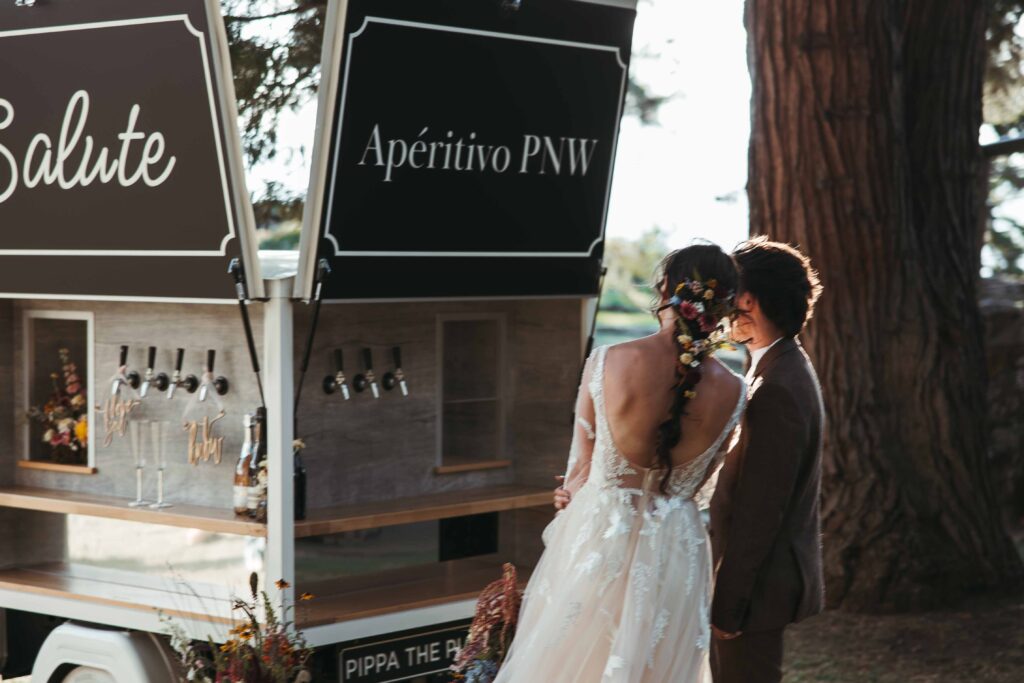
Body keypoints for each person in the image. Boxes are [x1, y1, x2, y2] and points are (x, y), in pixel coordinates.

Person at [493, 243, 747, 682]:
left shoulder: (609, 361)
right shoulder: (736, 390)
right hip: (676, 547)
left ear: (666, 289)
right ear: (725, 304)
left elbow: (578, 472)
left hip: (600, 536)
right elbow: (703, 481)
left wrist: (572, 492)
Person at [709, 236, 825, 683]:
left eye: (725, 298)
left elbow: (760, 511)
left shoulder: (776, 387)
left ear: (747, 300)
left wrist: (728, 607)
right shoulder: (781, 365)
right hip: (760, 584)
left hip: (756, 592)